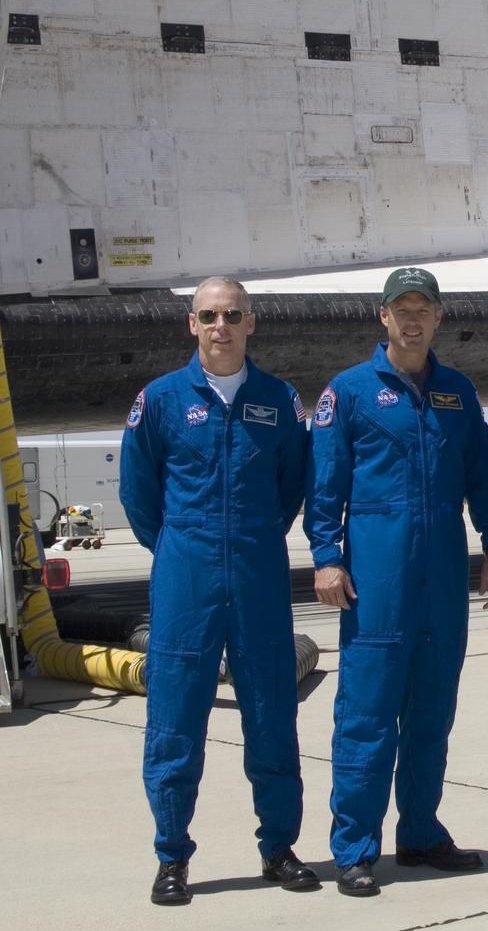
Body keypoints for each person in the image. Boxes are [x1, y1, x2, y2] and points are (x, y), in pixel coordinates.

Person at [306, 267, 488, 897]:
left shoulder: (457, 391)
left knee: (431, 712)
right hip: (376, 572)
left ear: (439, 317)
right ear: (384, 317)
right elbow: (326, 486)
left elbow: (482, 476)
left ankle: (420, 833)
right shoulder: (350, 392)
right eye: (403, 309)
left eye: (424, 309)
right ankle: (355, 848)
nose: (413, 319)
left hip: (444, 571)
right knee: (366, 713)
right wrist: (326, 555)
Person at [120, 276, 316, 906]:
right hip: (187, 574)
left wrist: (251, 538)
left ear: (251, 322)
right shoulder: (161, 400)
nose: (221, 326)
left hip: (258, 572)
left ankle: (278, 847)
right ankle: (172, 854)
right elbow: (137, 494)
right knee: (175, 719)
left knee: (272, 715)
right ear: (192, 325)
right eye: (208, 315)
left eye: (233, 314)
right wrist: (182, 547)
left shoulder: (279, 401)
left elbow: (292, 486)